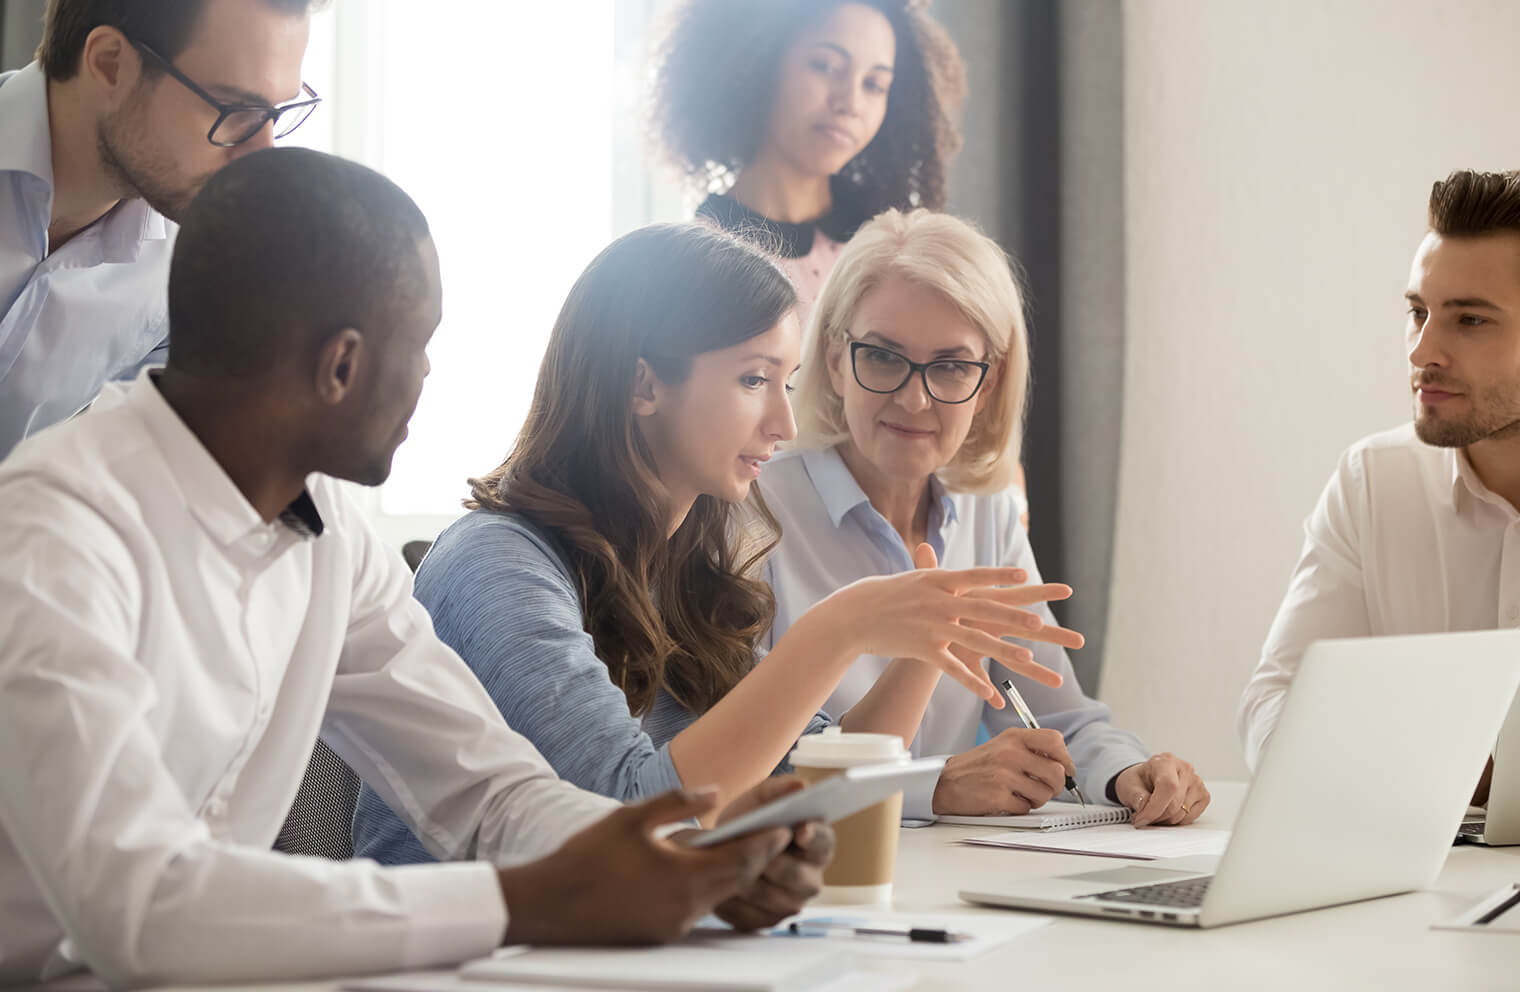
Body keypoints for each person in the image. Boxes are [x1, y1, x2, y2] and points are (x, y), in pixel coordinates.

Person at [0, 148, 834, 988]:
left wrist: (695, 863)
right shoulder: (53, 532)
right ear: (342, 366)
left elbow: (489, 792)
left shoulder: (330, 529)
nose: (429, 379)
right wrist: (524, 902)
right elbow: (138, 910)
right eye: (423, 345)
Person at [352, 221, 1080, 865]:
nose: (785, 424)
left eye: (784, 383)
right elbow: (631, 814)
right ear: (644, 385)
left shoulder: (676, 568)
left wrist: (929, 634)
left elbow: (827, 784)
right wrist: (838, 630)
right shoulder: (497, 564)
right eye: (753, 379)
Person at [762, 208, 1211, 825]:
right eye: (884, 357)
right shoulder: (752, 509)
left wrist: (1128, 776)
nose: (915, 398)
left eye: (950, 366)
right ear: (837, 361)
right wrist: (934, 786)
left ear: (989, 382)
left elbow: (1059, 720)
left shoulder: (987, 512)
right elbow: (760, 764)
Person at [1240, 169, 1520, 804]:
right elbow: (1272, 705)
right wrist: (1422, 763)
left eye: (1470, 320)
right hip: (1428, 881)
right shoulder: (1375, 481)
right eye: (1418, 313)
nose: (1423, 352)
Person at [0, 0, 322, 458]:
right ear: (110, 64)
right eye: (234, 108)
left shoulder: (195, 268)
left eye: (274, 112)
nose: (260, 152)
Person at [650, 0, 965, 317]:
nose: (851, 103)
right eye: (825, 66)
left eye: (873, 84)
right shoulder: (695, 265)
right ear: (760, 61)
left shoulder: (890, 248)